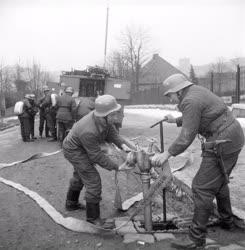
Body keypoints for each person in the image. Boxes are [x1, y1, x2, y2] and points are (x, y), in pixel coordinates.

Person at [151, 73, 244, 249]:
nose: (171, 99)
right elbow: (200, 115)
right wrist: (176, 120)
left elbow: (187, 136)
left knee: (202, 187)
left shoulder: (189, 100)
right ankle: (227, 221)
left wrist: (167, 154)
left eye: (170, 95)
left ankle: (195, 239)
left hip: (221, 140)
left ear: (179, 91)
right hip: (232, 136)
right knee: (219, 182)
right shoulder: (195, 91)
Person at [62, 94, 136, 227]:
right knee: (93, 180)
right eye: (113, 115)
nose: (115, 117)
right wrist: (117, 167)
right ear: (104, 114)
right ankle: (93, 218)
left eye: (116, 113)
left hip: (81, 146)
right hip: (74, 150)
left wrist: (123, 145)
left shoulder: (104, 119)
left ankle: (71, 203)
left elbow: (112, 133)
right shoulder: (89, 130)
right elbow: (96, 156)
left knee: (80, 175)